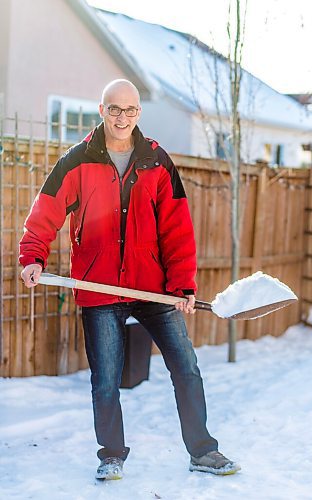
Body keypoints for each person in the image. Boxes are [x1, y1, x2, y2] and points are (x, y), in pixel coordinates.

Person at [20, 79, 240, 480]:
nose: (123, 118)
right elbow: (45, 212)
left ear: (139, 112)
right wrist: (32, 255)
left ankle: (203, 452)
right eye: (115, 109)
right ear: (102, 110)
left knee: (186, 368)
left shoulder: (156, 160)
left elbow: (177, 227)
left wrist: (183, 285)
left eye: (131, 110)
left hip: (152, 287)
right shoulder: (76, 161)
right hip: (99, 287)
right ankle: (111, 455)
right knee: (106, 379)